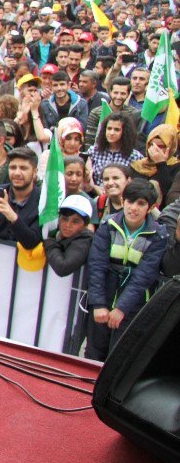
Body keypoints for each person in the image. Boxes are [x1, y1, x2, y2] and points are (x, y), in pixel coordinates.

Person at [86, 179, 169, 361]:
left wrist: (122, 308)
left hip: (134, 305)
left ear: (150, 207)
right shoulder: (108, 225)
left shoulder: (159, 235)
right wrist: (98, 303)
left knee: (119, 359)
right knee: (93, 355)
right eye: (130, 201)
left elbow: (144, 276)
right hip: (104, 299)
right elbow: (97, 266)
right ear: (123, 202)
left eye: (141, 203)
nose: (133, 208)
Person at [0, 147, 43, 249]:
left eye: (23, 168)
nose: (17, 173)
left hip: (24, 263)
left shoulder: (42, 200)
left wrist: (11, 216)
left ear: (35, 172)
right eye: (12, 167)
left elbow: (31, 243)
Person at [41, 195, 95, 277]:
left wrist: (49, 242)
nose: (68, 225)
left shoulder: (84, 241)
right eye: (65, 219)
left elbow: (63, 268)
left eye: (75, 221)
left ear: (85, 225)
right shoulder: (58, 235)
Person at [130, 124, 180, 209]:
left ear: (170, 147)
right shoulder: (137, 165)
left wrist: (161, 163)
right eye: (152, 145)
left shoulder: (176, 166)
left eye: (161, 146)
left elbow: (168, 193)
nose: (155, 150)